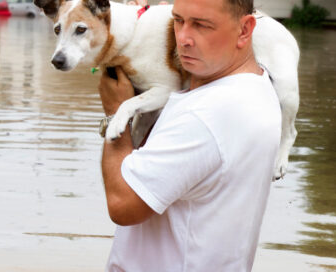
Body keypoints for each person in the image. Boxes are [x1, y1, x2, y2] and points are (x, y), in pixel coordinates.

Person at [97, 0, 281, 270]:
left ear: (245, 29)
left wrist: (115, 115)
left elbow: (123, 205)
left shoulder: (205, 115)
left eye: (201, 25)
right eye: (177, 20)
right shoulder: (258, 85)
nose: (182, 38)